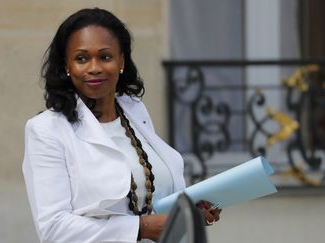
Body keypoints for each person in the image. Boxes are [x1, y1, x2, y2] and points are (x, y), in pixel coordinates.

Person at [22, 8, 221, 243]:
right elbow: (55, 229)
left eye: (105, 56)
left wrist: (189, 211)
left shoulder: (134, 110)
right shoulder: (47, 130)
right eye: (82, 58)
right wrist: (141, 228)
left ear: (121, 61)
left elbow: (149, 194)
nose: (94, 67)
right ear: (67, 66)